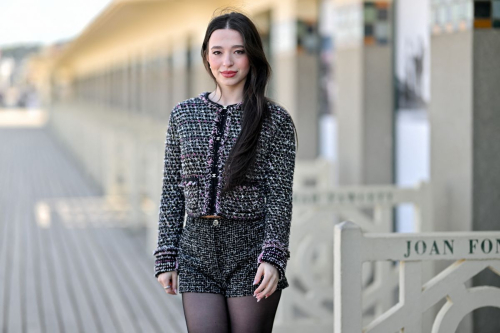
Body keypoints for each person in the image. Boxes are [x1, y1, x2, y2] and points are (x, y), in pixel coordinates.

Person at [153, 9, 298, 333]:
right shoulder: (183, 116)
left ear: (252, 56)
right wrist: (166, 254)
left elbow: (279, 196)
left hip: (251, 251)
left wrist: (273, 257)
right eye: (217, 52)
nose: (227, 62)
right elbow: (172, 191)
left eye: (238, 51)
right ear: (206, 57)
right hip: (196, 252)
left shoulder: (275, 121)